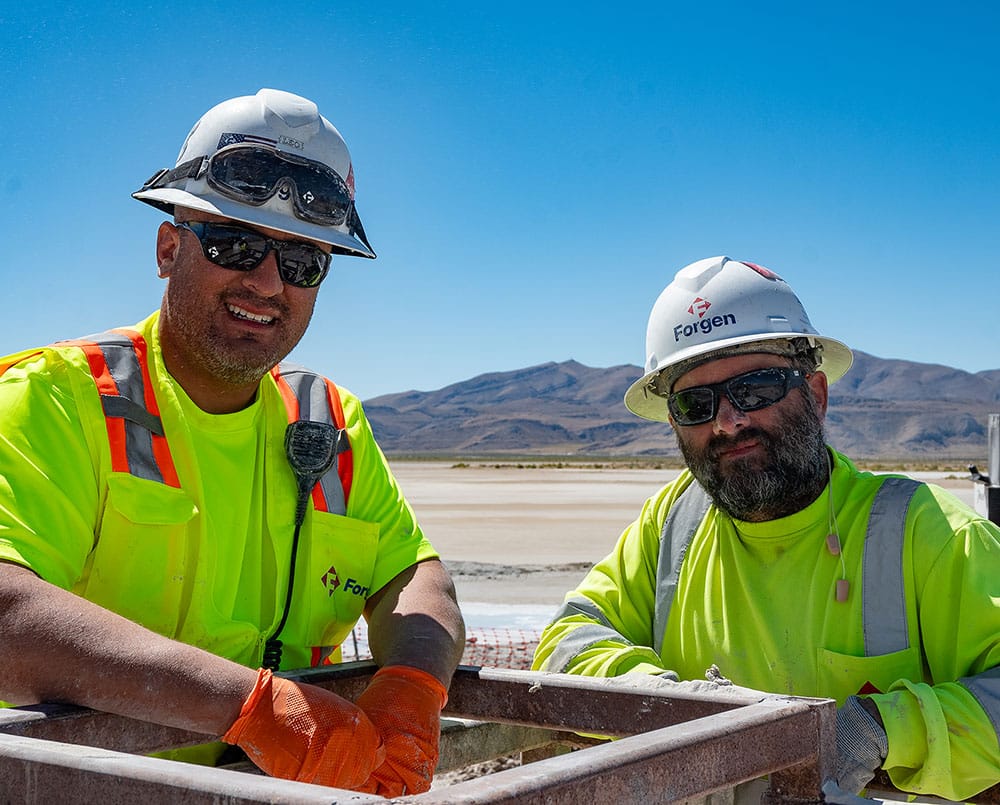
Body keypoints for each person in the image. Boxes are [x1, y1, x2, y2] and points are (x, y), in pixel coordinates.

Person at [0, 88, 465, 797]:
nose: (268, 281)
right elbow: (8, 611)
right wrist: (249, 708)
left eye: (304, 260)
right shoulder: (60, 399)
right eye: (235, 244)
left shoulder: (329, 422)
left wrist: (411, 684)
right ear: (167, 247)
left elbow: (418, 580)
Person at [532, 255, 1000, 802]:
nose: (728, 421)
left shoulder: (926, 530)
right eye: (694, 403)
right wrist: (666, 703)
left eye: (756, 389)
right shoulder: (672, 524)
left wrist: (880, 728)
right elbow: (568, 642)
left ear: (816, 395)